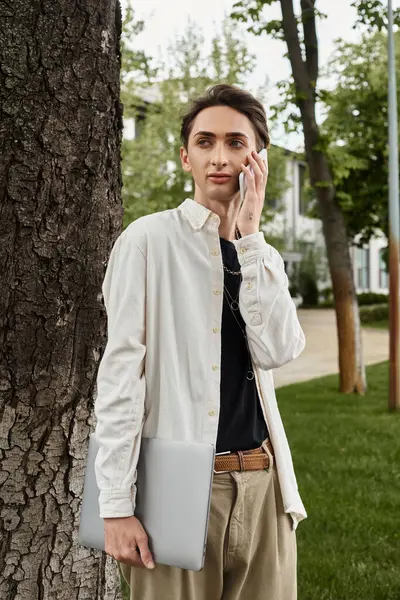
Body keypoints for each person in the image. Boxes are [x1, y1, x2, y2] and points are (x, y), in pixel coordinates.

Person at [94, 83, 307, 600]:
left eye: (236, 143)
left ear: (258, 157)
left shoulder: (264, 257)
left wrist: (249, 240)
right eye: (205, 141)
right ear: (185, 155)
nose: (220, 156)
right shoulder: (147, 241)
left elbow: (279, 350)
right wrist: (116, 505)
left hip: (264, 487)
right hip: (179, 491)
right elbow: (121, 377)